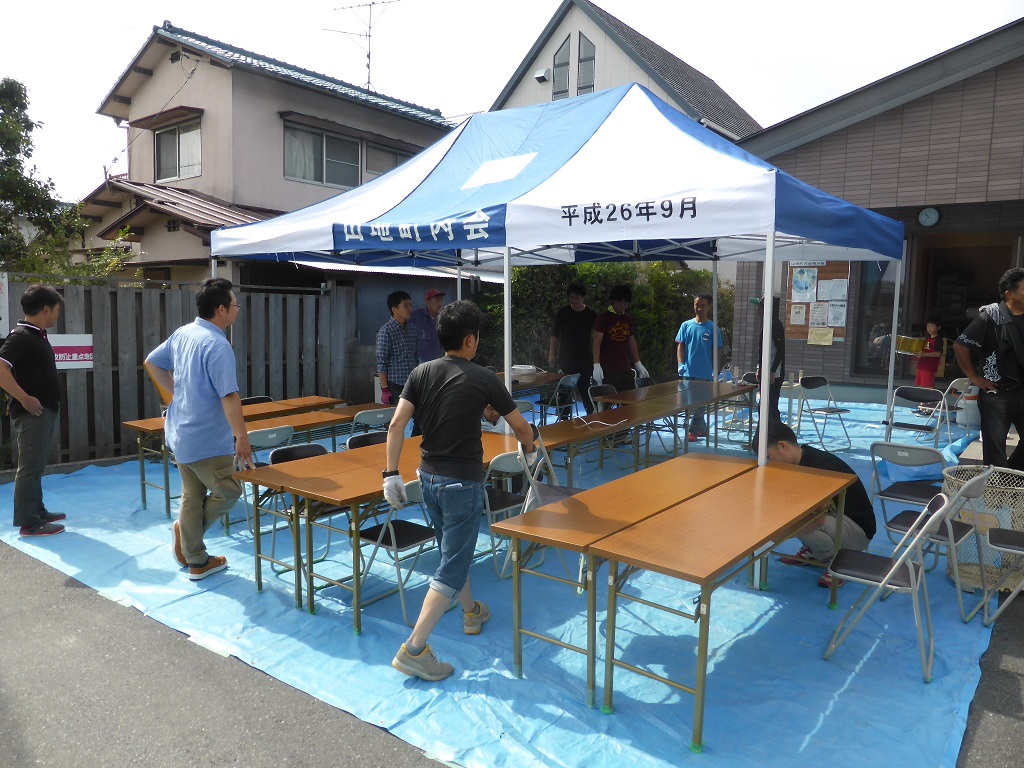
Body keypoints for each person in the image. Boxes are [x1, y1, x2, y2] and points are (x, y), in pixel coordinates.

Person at [383, 300, 537, 681]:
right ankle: (414, 649)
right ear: (470, 340)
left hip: (427, 479)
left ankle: (471, 612)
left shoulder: (420, 373)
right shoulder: (484, 377)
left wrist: (390, 474)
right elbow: (520, 428)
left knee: (453, 551)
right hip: (462, 483)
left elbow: (396, 424)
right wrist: (531, 451)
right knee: (452, 564)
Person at [144, 277, 254, 580]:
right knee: (229, 490)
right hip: (207, 438)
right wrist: (242, 437)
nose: (237, 309)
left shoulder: (184, 333)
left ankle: (195, 557)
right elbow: (229, 396)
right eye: (235, 304)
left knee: (192, 495)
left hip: (180, 433)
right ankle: (188, 540)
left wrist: (176, 397)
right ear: (221, 309)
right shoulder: (218, 344)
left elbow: (152, 362)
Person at [760, 421, 875, 588]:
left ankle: (839, 561)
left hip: (858, 531)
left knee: (795, 519)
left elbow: (817, 520)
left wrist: (775, 537)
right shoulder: (802, 458)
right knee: (789, 513)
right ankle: (816, 550)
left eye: (769, 457)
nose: (769, 464)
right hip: (835, 518)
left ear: (783, 446)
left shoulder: (820, 469)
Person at [0, 285, 66, 536]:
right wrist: (25, 399)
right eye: (57, 309)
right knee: (29, 467)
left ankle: (38, 510)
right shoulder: (21, 336)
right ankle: (29, 523)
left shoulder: (37, 335)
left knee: (36, 465)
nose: (58, 314)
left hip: (43, 410)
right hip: (31, 413)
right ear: (46, 309)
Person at [954, 267, 1024, 468]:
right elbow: (961, 345)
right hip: (997, 393)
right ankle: (998, 484)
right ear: (1009, 294)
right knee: (995, 449)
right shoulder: (992, 316)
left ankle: (1010, 476)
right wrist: (974, 377)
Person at [675, 293, 724, 439]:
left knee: (701, 402)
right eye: (697, 305)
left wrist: (716, 369)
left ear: (709, 307)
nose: (699, 309)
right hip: (688, 371)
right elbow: (681, 346)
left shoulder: (712, 328)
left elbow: (717, 350)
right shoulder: (686, 325)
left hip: (704, 372)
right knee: (689, 403)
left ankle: (692, 431)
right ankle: (701, 428)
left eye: (703, 306)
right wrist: (680, 363)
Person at [548, 282, 597, 414]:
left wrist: (597, 359)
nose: (573, 300)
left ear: (583, 297)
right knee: (565, 392)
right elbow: (554, 334)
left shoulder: (591, 314)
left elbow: (598, 337)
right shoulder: (563, 313)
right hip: (566, 359)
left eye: (576, 297)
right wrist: (551, 353)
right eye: (571, 297)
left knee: (585, 390)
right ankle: (564, 419)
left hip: (584, 359)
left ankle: (592, 416)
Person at [592, 284, 648, 393]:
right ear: (613, 301)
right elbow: (597, 342)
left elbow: (631, 342)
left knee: (630, 399)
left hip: (624, 367)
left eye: (625, 302)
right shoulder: (603, 318)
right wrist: (596, 365)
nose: (623, 304)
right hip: (607, 369)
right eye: (620, 301)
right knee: (608, 400)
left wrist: (638, 363)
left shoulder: (627, 319)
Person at [376, 291, 419, 408]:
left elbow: (415, 356)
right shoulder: (386, 331)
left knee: (416, 415)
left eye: (410, 305)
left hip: (413, 383)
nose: (410, 309)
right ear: (394, 310)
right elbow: (381, 361)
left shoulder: (413, 330)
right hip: (395, 385)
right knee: (398, 416)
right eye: (405, 306)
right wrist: (384, 389)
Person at [750, 295, 786, 424]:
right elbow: (763, 351)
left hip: (774, 373)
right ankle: (763, 433)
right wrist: (759, 367)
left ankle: (773, 433)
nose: (757, 309)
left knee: (770, 407)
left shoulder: (775, 324)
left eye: (760, 306)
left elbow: (780, 350)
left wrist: (772, 371)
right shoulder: (766, 324)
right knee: (764, 406)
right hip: (766, 370)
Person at [410, 289, 446, 363]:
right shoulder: (416, 316)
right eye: (436, 300)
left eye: (441, 300)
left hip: (436, 361)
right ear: (427, 302)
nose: (440, 304)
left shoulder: (444, 319)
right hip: (418, 362)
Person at [914, 315, 942, 388]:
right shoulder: (927, 338)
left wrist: (924, 354)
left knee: (927, 385)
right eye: (928, 326)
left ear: (938, 327)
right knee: (920, 385)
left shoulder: (938, 339)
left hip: (929, 366)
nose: (929, 328)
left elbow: (938, 353)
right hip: (922, 364)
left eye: (932, 326)